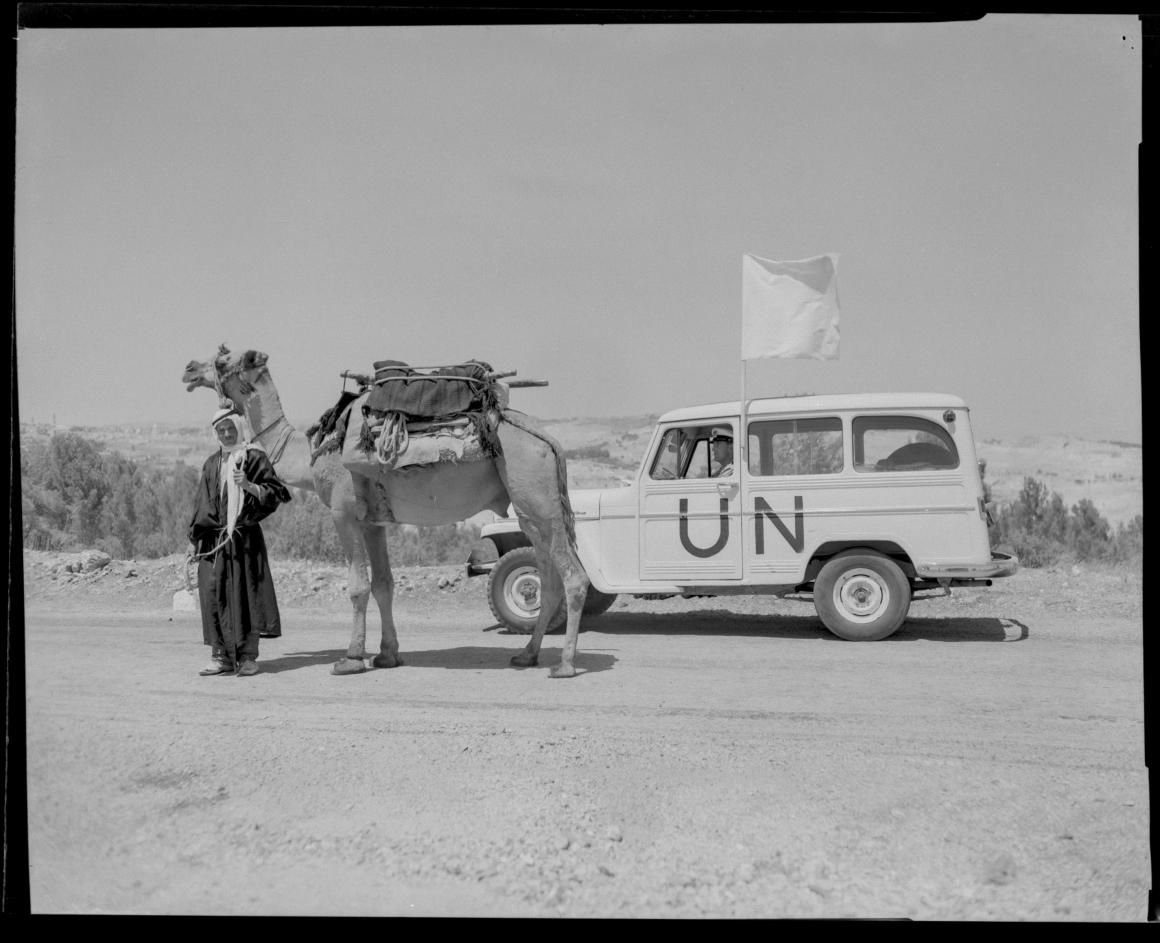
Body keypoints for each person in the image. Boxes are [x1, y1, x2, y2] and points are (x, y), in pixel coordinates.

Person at [189, 408, 291, 676]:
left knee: (246, 596)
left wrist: (248, 486)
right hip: (215, 541)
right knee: (214, 596)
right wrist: (195, 541)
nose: (226, 434)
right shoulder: (211, 463)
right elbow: (201, 504)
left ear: (238, 428)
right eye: (221, 430)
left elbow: (275, 493)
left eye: (230, 429)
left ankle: (247, 657)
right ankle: (220, 656)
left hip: (244, 541)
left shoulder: (253, 458)